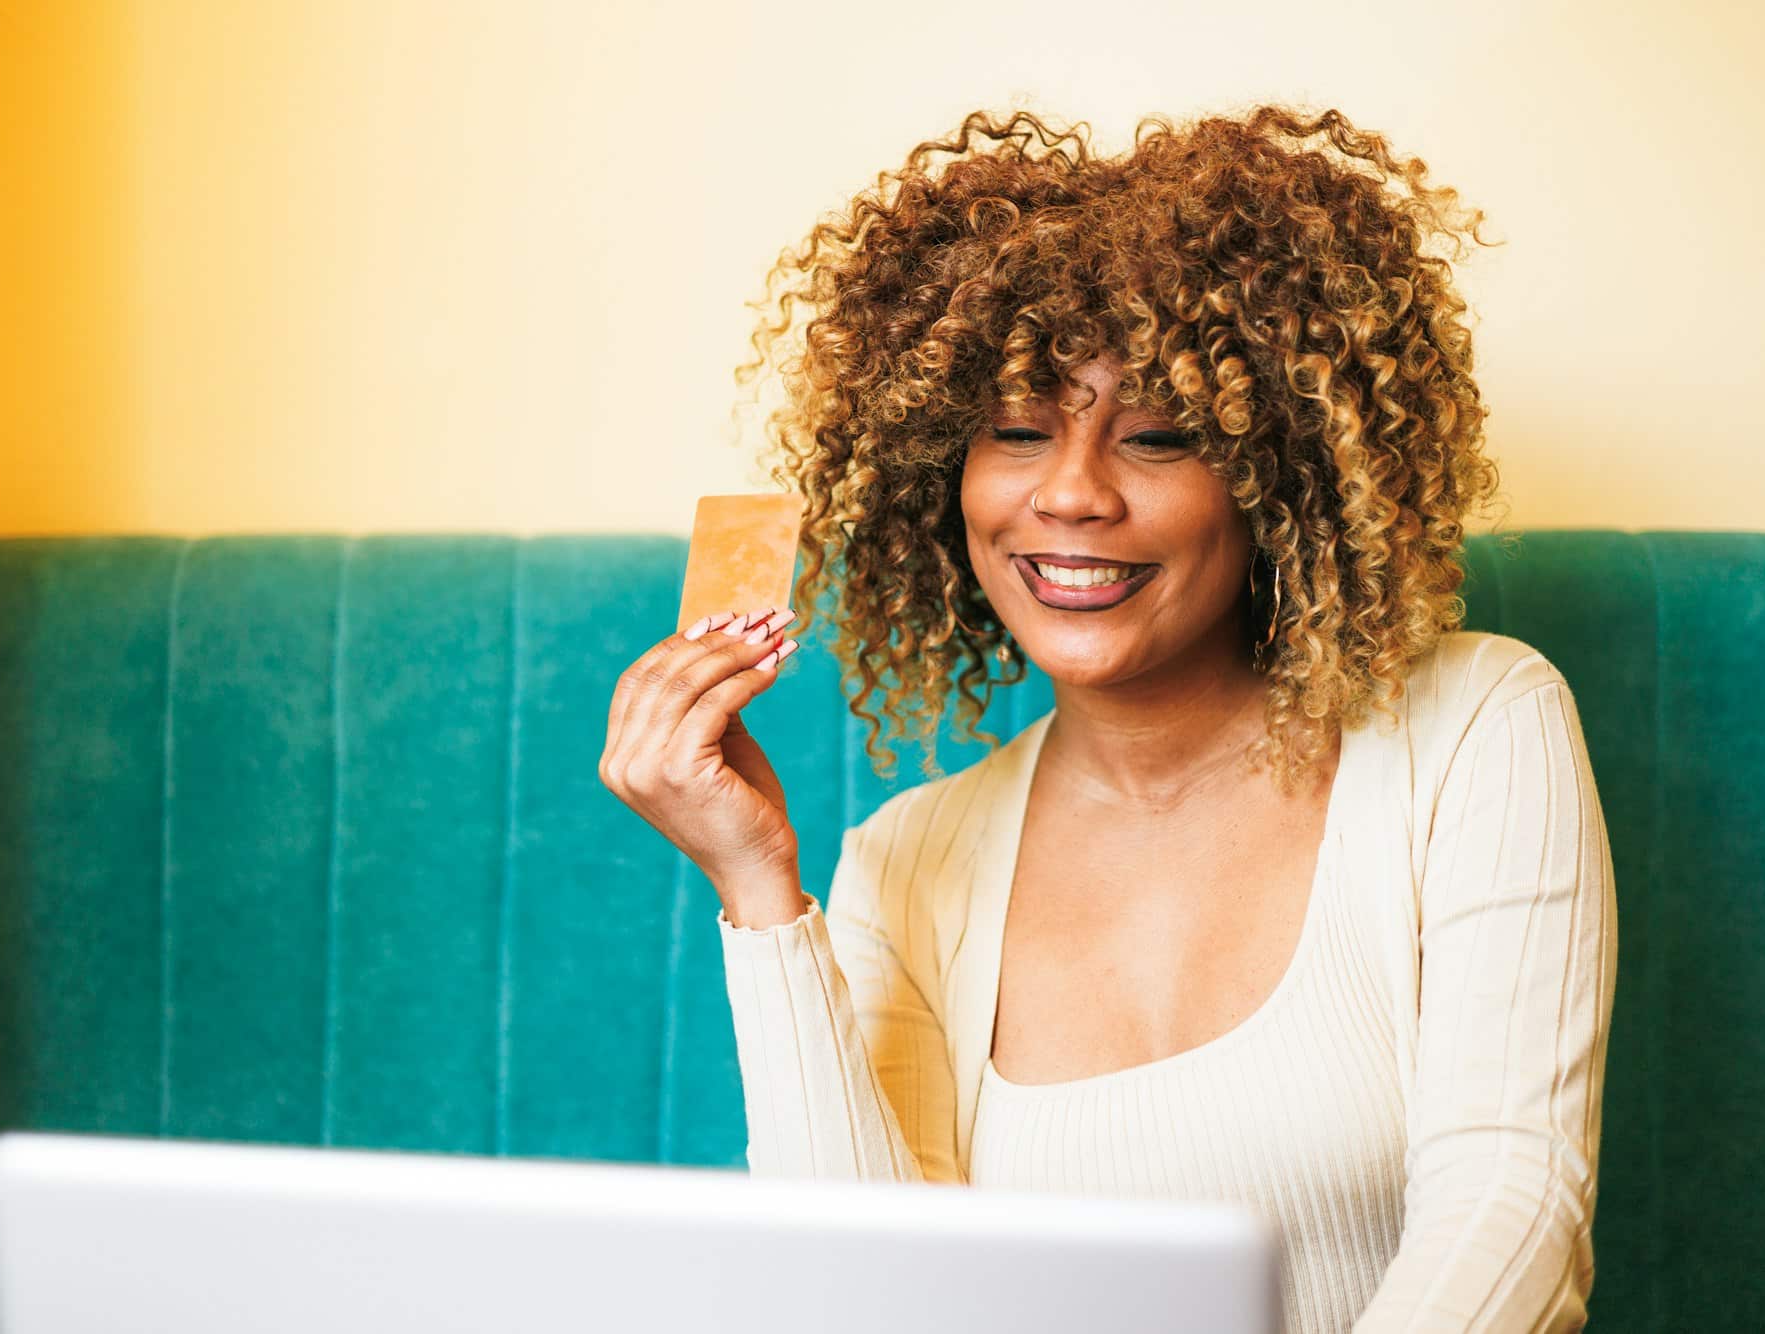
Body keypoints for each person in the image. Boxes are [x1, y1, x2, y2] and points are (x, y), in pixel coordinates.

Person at [599, 104, 1617, 1333]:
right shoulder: (904, 862)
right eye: (1017, 431)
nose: (1071, 491)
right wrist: (758, 888)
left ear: (1273, 477)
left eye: (1157, 437)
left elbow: (1513, 1207)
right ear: (946, 478)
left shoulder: (1477, 726)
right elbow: (868, 1301)